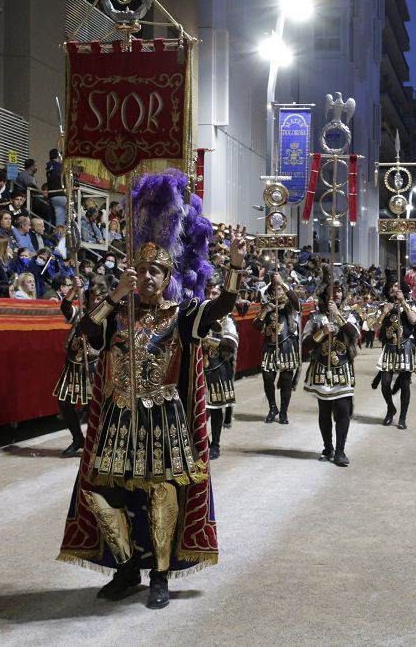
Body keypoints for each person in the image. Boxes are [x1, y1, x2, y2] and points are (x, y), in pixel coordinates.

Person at [58, 169, 246, 610]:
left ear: (167, 277)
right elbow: (87, 332)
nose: (145, 277)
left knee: (162, 493)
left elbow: (222, 306)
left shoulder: (182, 314)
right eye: (140, 270)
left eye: (154, 271)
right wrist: (111, 295)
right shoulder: (118, 313)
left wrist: (234, 267)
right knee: (101, 493)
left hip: (164, 417)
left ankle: (159, 576)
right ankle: (126, 569)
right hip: (119, 417)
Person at [303, 269, 359, 466]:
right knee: (324, 411)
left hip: (342, 367)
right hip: (321, 368)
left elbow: (354, 335)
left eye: (339, 290)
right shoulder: (315, 317)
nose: (336, 294)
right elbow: (306, 342)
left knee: (343, 410)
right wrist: (322, 333)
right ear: (324, 293)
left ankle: (340, 451)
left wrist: (338, 316)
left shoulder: (350, 314)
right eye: (332, 290)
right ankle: (328, 447)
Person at [52, 275, 106, 457]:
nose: (95, 301)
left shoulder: (107, 318)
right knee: (64, 403)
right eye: (92, 297)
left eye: (99, 298)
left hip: (94, 366)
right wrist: (74, 290)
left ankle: (95, 444)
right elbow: (65, 307)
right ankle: (77, 439)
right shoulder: (81, 313)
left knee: (94, 407)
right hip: (74, 365)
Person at [373, 269, 416, 430]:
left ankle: (402, 417)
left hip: (406, 345)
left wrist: (404, 303)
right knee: (385, 383)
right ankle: (390, 408)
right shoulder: (383, 305)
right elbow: (375, 327)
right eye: (391, 286)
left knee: (405, 384)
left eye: (396, 286)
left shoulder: (412, 304)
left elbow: (413, 321)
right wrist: (384, 313)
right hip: (389, 347)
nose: (393, 288)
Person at [253, 271, 301, 424]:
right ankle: (272, 407)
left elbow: (297, 303)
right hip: (269, 346)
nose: (277, 291)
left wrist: (283, 283)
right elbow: (256, 326)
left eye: (279, 289)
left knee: (286, 380)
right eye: (274, 289)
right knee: (267, 377)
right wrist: (264, 312)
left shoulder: (289, 305)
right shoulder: (266, 305)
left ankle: (284, 412)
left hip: (286, 345)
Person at [203, 278, 239, 461]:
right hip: (198, 370)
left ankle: (215, 444)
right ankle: (203, 443)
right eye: (208, 293)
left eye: (215, 293)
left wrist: (207, 340)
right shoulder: (199, 313)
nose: (210, 296)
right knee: (199, 413)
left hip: (217, 369)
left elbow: (229, 344)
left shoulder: (226, 318)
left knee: (216, 410)